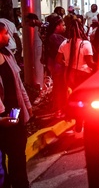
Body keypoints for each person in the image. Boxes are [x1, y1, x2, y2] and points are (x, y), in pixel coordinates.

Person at [0, 22, 33, 188]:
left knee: (18, 156)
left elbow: (18, 84)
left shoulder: (7, 54)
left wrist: (27, 106)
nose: (9, 36)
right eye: (6, 33)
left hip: (14, 113)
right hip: (1, 119)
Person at [56, 18, 96, 91]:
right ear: (81, 30)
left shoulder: (64, 43)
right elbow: (90, 63)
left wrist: (66, 63)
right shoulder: (85, 44)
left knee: (71, 96)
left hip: (68, 73)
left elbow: (58, 59)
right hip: (82, 74)